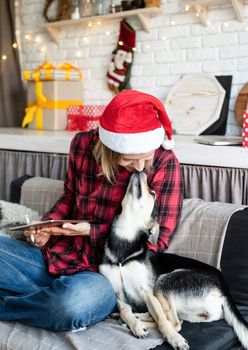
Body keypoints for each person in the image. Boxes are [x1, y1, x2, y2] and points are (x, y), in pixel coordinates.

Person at [0, 90, 184, 331]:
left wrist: (91, 231)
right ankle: (43, 298)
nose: (140, 168)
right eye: (130, 160)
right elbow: (69, 198)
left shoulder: (165, 163)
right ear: (110, 148)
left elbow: (156, 240)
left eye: (145, 158)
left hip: (105, 276)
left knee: (70, 305)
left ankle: (34, 300)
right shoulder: (82, 144)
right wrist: (47, 225)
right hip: (58, 255)